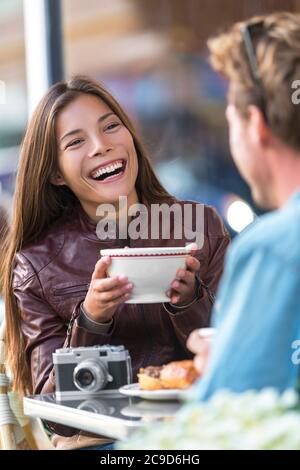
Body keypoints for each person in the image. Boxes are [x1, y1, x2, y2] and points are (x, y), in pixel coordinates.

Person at [0, 76, 229, 449]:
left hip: (199, 432)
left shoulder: (201, 226)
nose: (101, 146)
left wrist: (190, 301)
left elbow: (238, 350)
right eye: (76, 142)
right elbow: (55, 418)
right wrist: (92, 318)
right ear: (56, 173)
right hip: (101, 445)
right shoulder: (36, 265)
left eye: (110, 127)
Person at [188, 12, 300, 400]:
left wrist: (222, 369)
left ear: (255, 124)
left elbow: (219, 426)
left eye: (230, 119)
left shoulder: (271, 248)